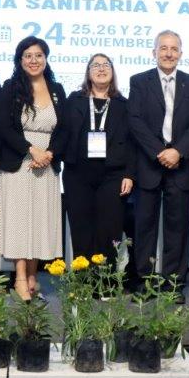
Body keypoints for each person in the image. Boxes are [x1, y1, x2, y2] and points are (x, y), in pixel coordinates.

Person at [128, 30, 189, 303]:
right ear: (154, 52)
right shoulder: (139, 81)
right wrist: (160, 152)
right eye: (163, 48)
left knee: (178, 229)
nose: (169, 53)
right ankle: (144, 283)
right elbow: (135, 120)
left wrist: (178, 151)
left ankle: (174, 285)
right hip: (149, 164)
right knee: (144, 227)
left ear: (181, 53)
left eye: (174, 49)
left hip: (181, 166)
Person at [0, 36, 67, 301]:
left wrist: (49, 153)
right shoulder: (10, 87)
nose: (33, 60)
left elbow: (65, 128)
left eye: (38, 55)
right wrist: (31, 150)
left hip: (46, 164)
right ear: (20, 60)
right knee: (19, 222)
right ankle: (20, 278)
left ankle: (34, 276)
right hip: (19, 163)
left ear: (46, 59)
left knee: (40, 221)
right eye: (28, 56)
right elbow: (4, 126)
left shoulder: (57, 89)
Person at [62, 54, 135, 266]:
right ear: (88, 72)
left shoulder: (124, 104)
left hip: (113, 175)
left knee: (109, 231)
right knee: (81, 230)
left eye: (106, 65)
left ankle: (106, 280)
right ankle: (83, 280)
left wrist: (130, 174)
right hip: (77, 174)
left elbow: (133, 143)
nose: (101, 69)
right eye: (96, 65)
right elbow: (63, 132)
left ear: (112, 71)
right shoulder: (74, 100)